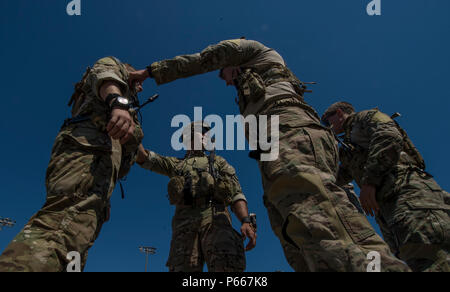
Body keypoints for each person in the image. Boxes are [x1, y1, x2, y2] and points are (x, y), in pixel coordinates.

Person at [128, 39, 409, 271]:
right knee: (296, 233)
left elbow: (206, 58)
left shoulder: (252, 53)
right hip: (272, 147)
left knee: (319, 216)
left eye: (222, 73)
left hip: (288, 131)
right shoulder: (179, 164)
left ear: (231, 62)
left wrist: (150, 72)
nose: (224, 81)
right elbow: (145, 158)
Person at [0, 57, 144, 272]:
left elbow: (139, 151)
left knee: (76, 244)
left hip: (100, 176)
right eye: (137, 82)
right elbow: (105, 77)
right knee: (62, 225)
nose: (141, 87)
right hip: (88, 159)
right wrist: (118, 102)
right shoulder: (112, 70)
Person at [322, 101, 450, 272]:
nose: (327, 126)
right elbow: (339, 177)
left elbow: (389, 137)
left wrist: (369, 183)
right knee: (414, 257)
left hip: (408, 193)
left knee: (431, 256)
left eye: (326, 121)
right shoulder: (348, 147)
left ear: (338, 113)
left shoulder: (364, 118)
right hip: (390, 207)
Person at [136, 121, 256, 272]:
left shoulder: (218, 162)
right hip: (184, 225)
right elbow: (144, 157)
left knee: (226, 267)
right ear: (190, 136)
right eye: (203, 131)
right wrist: (132, 132)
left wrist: (245, 221)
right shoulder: (176, 165)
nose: (207, 135)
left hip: (216, 219)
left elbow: (236, 193)